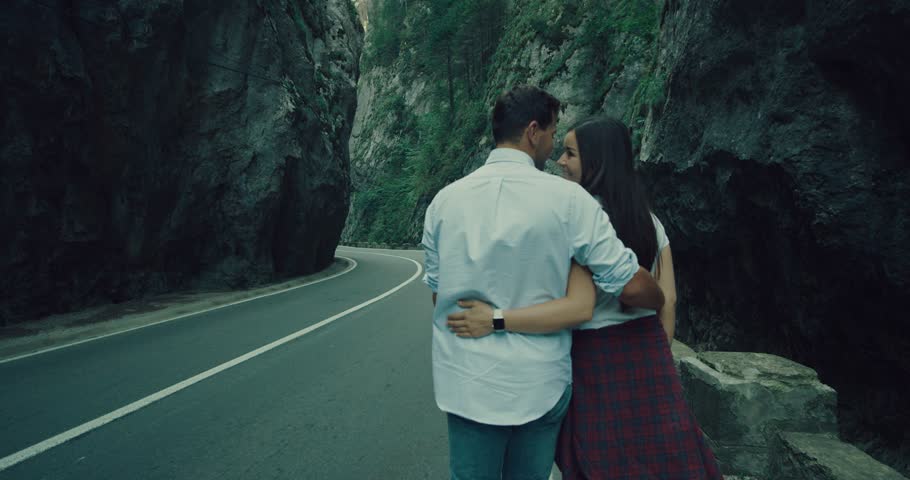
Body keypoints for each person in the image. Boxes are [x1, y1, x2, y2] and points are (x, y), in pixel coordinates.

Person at [446, 117, 722, 479]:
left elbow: (576, 306)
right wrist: (659, 352)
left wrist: (496, 317)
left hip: (594, 355)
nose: (560, 160)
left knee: (602, 462)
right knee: (663, 460)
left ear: (597, 160)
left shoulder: (577, 221)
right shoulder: (650, 221)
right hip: (649, 354)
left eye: (570, 153)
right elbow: (667, 298)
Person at [422, 89, 666, 480]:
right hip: (540, 383)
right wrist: (658, 295)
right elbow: (630, 285)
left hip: (469, 383)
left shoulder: (443, 202)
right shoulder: (569, 200)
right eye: (553, 134)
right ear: (533, 131)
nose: (554, 148)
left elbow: (439, 292)